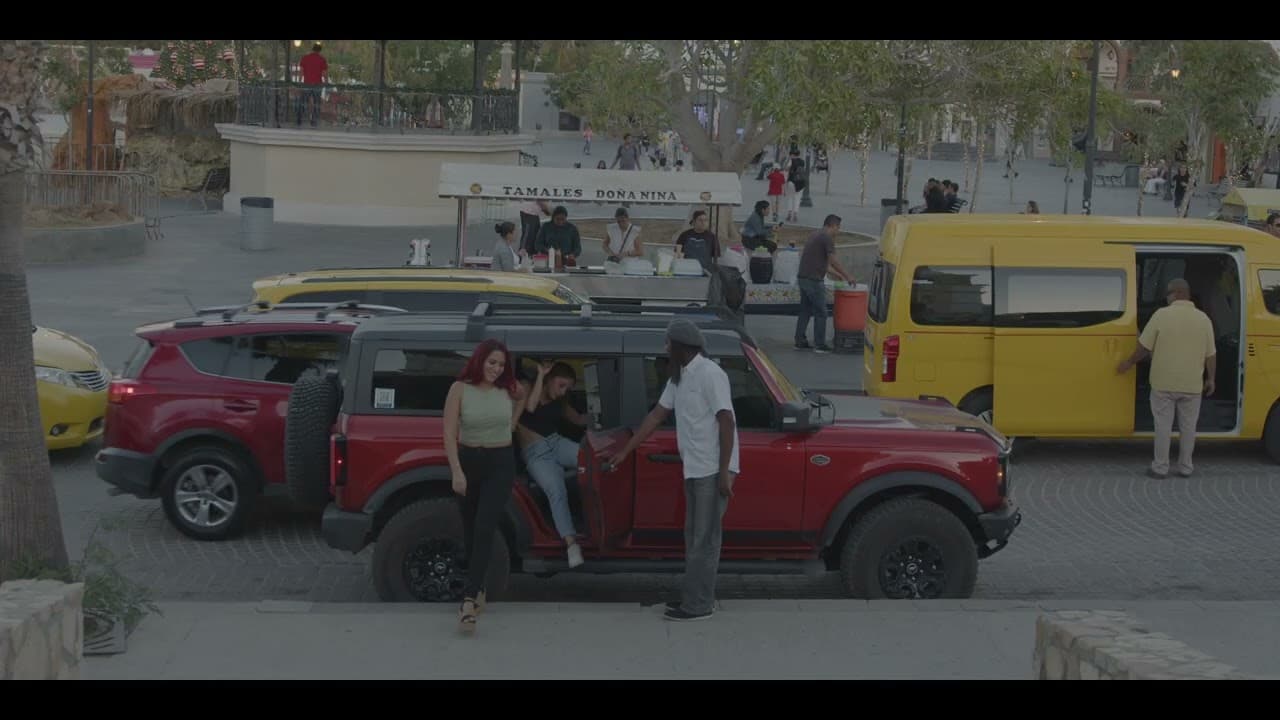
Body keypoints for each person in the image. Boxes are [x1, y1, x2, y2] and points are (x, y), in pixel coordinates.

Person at [608, 320, 739, 622]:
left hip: (711, 468)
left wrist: (724, 472)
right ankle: (693, 596)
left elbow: (727, 421)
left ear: (681, 346)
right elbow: (656, 415)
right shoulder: (678, 378)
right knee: (694, 537)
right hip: (694, 468)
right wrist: (626, 451)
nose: (665, 349)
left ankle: (699, 605)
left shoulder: (710, 374)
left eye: (668, 344)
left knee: (703, 540)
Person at [443, 339, 525, 633]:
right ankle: (478, 590)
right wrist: (457, 472)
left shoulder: (509, 388)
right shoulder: (460, 389)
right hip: (468, 460)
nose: (496, 369)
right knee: (470, 530)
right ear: (480, 360)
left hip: (500, 462)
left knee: (485, 527)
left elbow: (523, 398)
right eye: (492, 362)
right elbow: (449, 433)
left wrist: (512, 423)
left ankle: (468, 601)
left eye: (501, 364)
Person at [1116, 279, 1216, 479]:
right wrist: (1211, 379)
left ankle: (1160, 468)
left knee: (1163, 426)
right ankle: (1186, 468)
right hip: (1191, 385)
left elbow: (1144, 347)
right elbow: (1211, 354)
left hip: (1164, 384)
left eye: (1168, 293)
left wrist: (1128, 363)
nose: (1167, 297)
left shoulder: (1161, 315)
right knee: (1189, 428)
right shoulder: (1204, 319)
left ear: (1177, 293)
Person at [518, 361, 590, 568]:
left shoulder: (561, 401)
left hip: (556, 442)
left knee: (592, 461)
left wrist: (601, 416)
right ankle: (571, 544)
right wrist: (540, 375)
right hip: (535, 453)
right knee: (556, 489)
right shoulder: (528, 387)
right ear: (549, 379)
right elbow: (530, 407)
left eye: (567, 387)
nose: (563, 391)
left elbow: (577, 419)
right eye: (561, 385)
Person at [795, 214, 854, 353]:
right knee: (821, 312)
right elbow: (832, 260)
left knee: (805, 310)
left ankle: (799, 341)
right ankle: (820, 344)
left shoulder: (815, 235)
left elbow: (825, 265)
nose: (838, 231)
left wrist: (838, 275)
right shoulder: (826, 238)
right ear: (832, 225)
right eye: (838, 227)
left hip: (803, 277)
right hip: (813, 280)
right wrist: (848, 276)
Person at [296, 43, 327, 128]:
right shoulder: (322, 59)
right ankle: (313, 122)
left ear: (312, 49)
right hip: (317, 84)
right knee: (317, 103)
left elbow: (301, 71)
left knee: (303, 102)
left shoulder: (305, 58)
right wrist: (326, 82)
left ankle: (299, 119)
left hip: (307, 84)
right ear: (320, 50)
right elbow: (324, 73)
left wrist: (299, 81)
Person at [785, 156, 807, 222]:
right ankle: (795, 215)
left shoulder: (791, 161)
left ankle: (789, 214)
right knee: (797, 199)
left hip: (791, 182)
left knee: (790, 198)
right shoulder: (802, 161)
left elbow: (786, 169)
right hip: (800, 182)